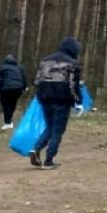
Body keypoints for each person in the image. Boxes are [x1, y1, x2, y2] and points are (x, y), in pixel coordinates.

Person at [29, 37, 82, 169]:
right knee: (58, 130)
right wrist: (78, 101)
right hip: (62, 100)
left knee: (50, 127)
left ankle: (35, 149)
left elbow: (36, 81)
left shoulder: (45, 60)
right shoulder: (73, 63)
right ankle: (49, 160)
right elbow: (73, 85)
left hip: (45, 98)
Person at [0, 54, 28, 130]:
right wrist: (25, 87)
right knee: (12, 104)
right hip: (18, 88)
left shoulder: (2, 67)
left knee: (6, 105)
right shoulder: (19, 67)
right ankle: (9, 121)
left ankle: (7, 123)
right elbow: (24, 77)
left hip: (6, 88)